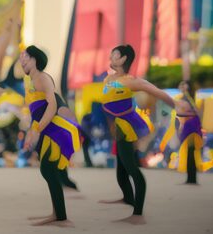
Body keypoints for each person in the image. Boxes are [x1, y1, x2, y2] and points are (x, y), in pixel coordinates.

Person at [99, 44, 192, 225]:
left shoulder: (130, 81)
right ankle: (127, 198)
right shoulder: (108, 79)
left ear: (123, 59)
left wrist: (176, 104)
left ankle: (138, 214)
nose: (110, 58)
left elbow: (156, 91)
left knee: (132, 169)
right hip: (117, 129)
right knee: (121, 172)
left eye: (114, 55)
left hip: (127, 129)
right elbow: (107, 105)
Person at [21, 45, 82, 227]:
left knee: (48, 169)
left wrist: (37, 130)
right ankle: (57, 213)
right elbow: (35, 113)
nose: (22, 60)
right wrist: (31, 133)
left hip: (54, 130)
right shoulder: (31, 81)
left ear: (34, 60)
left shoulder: (42, 78)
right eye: (21, 57)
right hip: (45, 130)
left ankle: (60, 216)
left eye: (26, 57)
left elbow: (52, 106)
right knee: (48, 170)